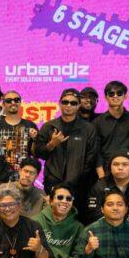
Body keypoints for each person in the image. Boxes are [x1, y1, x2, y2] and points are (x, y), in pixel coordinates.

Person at [34, 88, 98, 218]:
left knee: (76, 219)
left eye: (73, 103)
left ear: (78, 105)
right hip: (52, 183)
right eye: (65, 102)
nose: (68, 105)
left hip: (78, 185)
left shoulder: (88, 128)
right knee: (52, 218)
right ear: (59, 103)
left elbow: (91, 158)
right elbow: (39, 153)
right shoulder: (49, 126)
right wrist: (52, 144)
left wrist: (78, 179)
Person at [0, 90, 38, 196]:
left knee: (23, 207)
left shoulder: (30, 125)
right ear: (3, 104)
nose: (13, 102)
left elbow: (36, 154)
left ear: (20, 102)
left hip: (23, 181)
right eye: (9, 100)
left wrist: (35, 139)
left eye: (16, 100)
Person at [92, 81, 129, 179]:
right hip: (106, 172)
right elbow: (95, 152)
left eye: (119, 93)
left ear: (125, 96)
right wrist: (102, 176)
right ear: (106, 97)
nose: (115, 96)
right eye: (111, 94)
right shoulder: (98, 122)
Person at [86, 152, 129, 225]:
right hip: (104, 227)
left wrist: (128, 224)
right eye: (116, 164)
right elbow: (93, 212)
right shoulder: (99, 187)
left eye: (125, 164)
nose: (120, 168)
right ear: (110, 168)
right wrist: (120, 223)